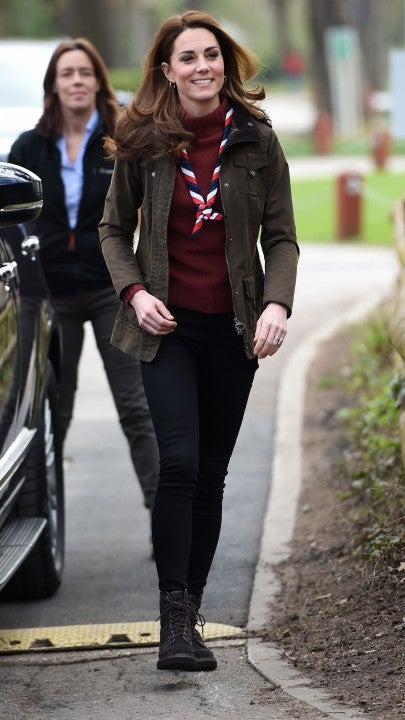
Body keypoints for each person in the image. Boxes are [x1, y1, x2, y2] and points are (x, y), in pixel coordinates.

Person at [99, 10, 299, 672]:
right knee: (179, 464)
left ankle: (192, 607)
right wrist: (135, 293)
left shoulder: (256, 139)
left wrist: (276, 303)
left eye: (210, 54)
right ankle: (173, 621)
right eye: (187, 58)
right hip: (166, 329)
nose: (202, 66)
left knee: (210, 475)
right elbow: (112, 229)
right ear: (167, 71)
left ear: (225, 62)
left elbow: (281, 237)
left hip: (233, 331)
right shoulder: (144, 139)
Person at [8, 38, 159, 521]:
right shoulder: (28, 146)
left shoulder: (122, 140)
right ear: (53, 85)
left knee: (136, 407)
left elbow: (148, 208)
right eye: (67, 73)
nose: (76, 81)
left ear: (98, 82)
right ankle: (42, 522)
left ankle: (165, 522)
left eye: (85, 72)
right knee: (54, 408)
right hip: (48, 294)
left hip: (112, 288)